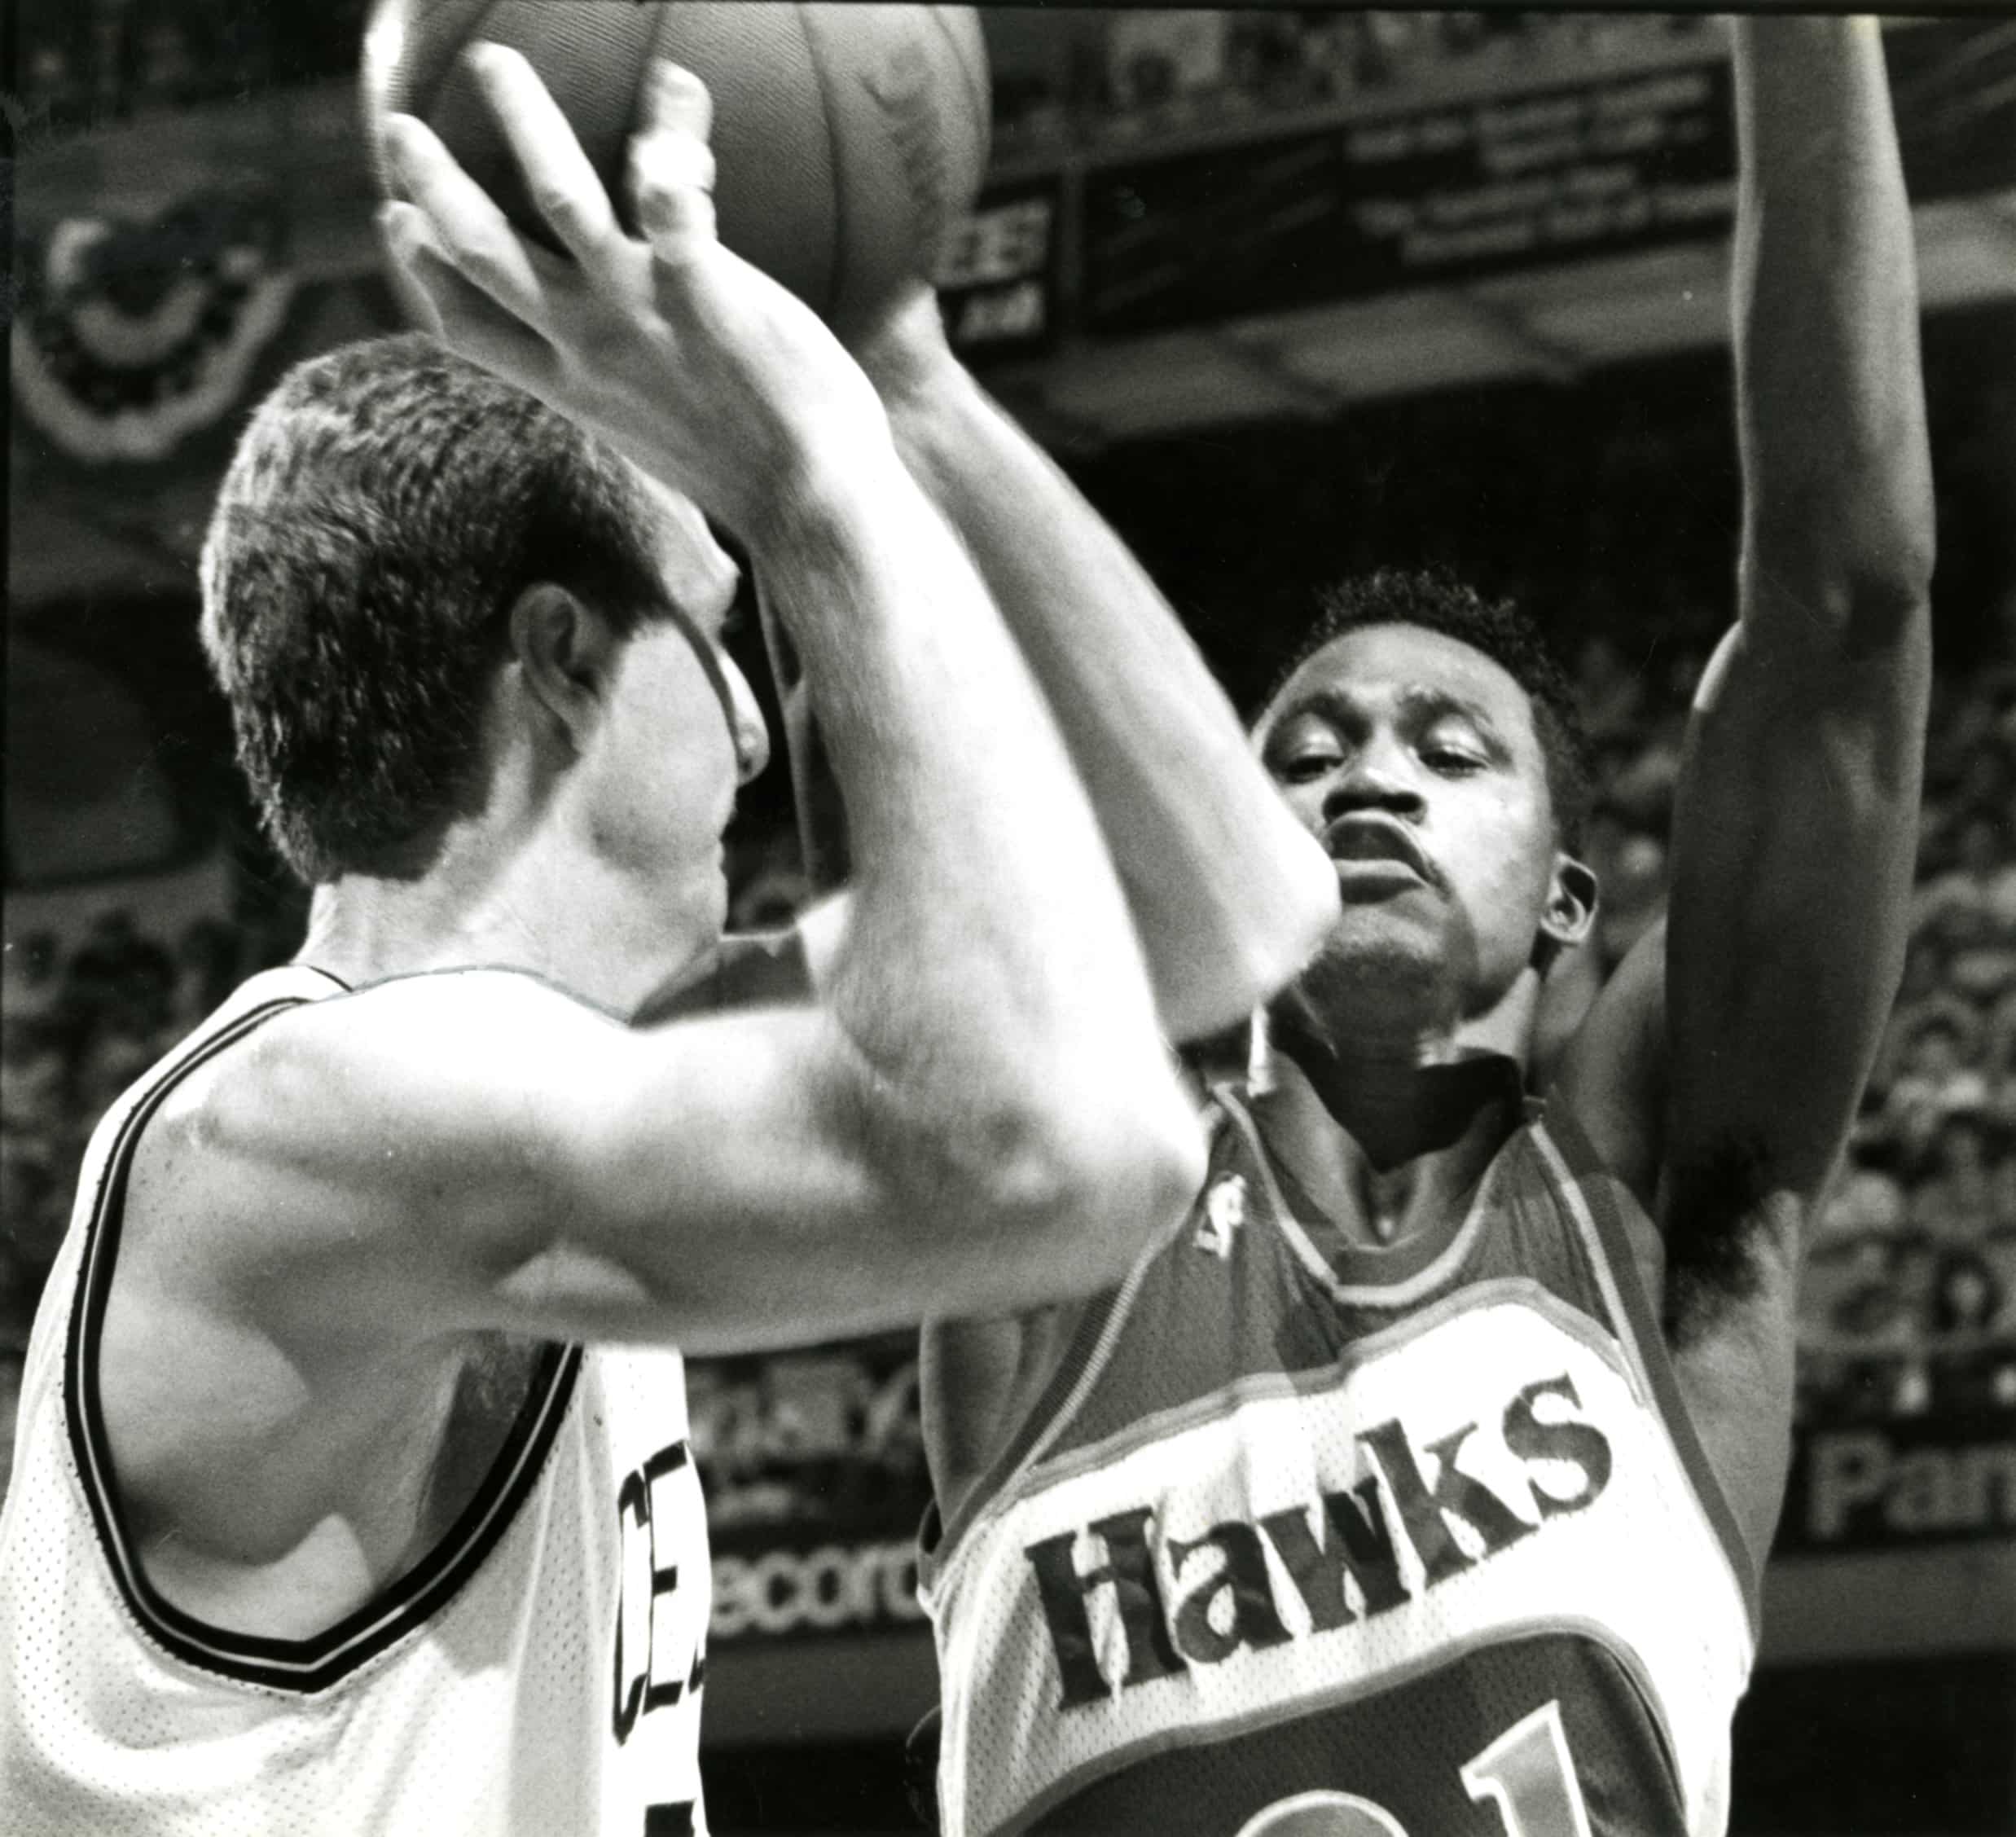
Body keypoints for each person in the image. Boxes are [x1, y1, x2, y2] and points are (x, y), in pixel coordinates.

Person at [0, 55, 1227, 1836]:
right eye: (716, 636)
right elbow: (1073, 1153)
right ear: (564, 656)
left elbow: (1206, 936)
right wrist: (810, 485)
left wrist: (907, 389)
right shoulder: (305, 1124)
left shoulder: (556, 1083)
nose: (746, 725)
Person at [896, 18, 1933, 1837]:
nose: (1366, 779)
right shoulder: (1064, 1213)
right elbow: (887, 730)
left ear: (1563, 899)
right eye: (1299, 757)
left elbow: (1841, 616)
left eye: (1446, 751)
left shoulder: (1651, 1231)